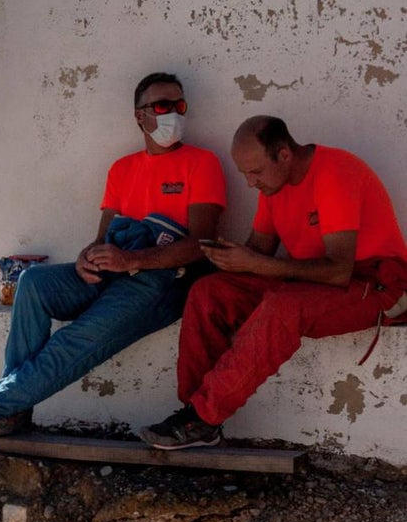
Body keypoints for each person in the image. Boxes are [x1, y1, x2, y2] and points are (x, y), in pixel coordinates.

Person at [0, 72, 227, 452]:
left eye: (179, 105)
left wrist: (131, 260)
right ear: (139, 116)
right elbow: (101, 237)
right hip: (117, 271)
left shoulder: (202, 163)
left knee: (75, 340)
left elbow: (200, 245)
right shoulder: (123, 169)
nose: (173, 113)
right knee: (35, 283)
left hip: (162, 282)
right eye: (162, 106)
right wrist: (87, 259)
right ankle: (11, 410)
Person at [140, 116, 407, 449]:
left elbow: (339, 270)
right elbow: (258, 252)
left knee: (283, 307)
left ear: (284, 155)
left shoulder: (335, 172)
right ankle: (193, 416)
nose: (251, 183)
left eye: (255, 172)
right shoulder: (273, 185)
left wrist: (258, 263)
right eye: (245, 175)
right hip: (311, 283)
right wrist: (225, 258)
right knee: (209, 292)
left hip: (374, 285)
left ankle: (204, 415)